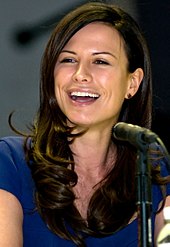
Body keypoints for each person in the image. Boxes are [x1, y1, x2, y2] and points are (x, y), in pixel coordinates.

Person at [0, 2, 170, 246]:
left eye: (100, 61)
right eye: (68, 59)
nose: (80, 74)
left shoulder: (155, 170)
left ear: (132, 83)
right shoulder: (10, 162)